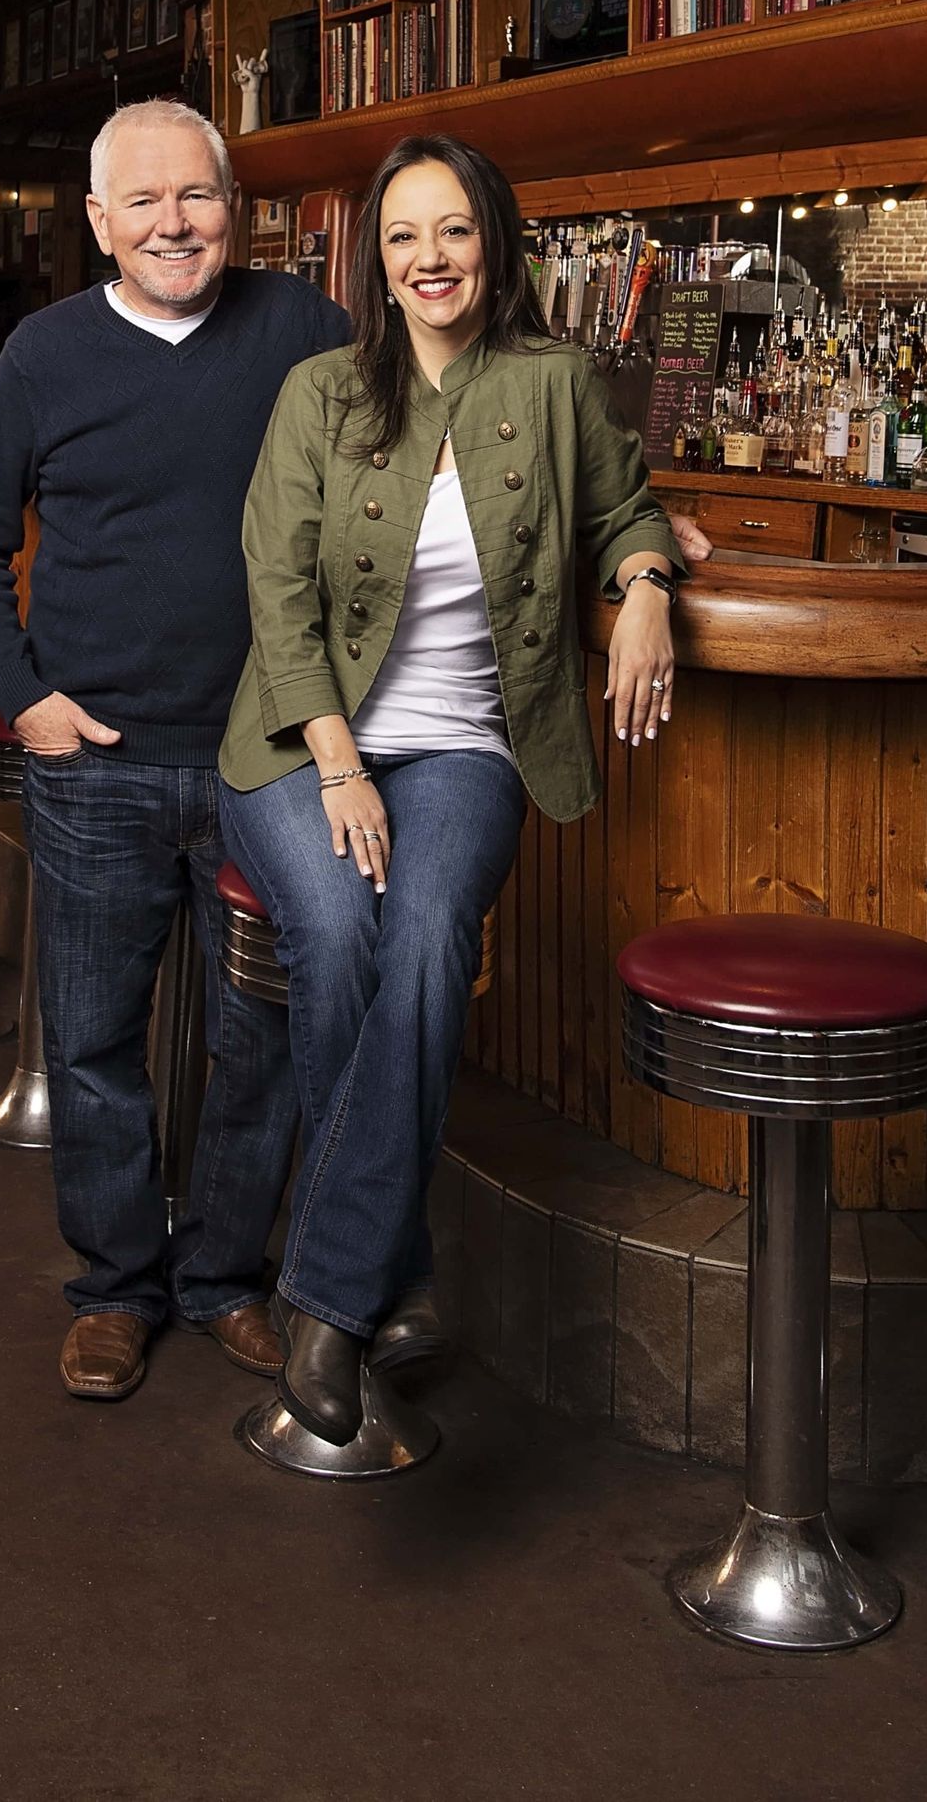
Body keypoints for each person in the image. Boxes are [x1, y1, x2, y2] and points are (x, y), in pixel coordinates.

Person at [217, 134, 692, 1448]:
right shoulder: (319, 392)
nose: (431, 260)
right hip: (300, 743)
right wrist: (339, 764)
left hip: (473, 751)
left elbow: (627, 514)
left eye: (455, 232)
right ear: (377, 259)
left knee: (427, 938)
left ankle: (326, 1293)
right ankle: (383, 1270)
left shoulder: (553, 383)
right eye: (405, 237)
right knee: (338, 931)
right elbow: (274, 590)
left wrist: (647, 590)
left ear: (497, 244)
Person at [0, 99, 349, 1405]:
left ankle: (223, 1277)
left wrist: (629, 529)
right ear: (100, 222)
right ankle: (116, 1288)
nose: (175, 224)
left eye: (200, 197)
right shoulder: (45, 356)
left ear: (235, 207)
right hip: (95, 762)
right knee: (97, 1038)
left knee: (261, 1040)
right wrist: (26, 700)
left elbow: (442, 451)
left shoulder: (306, 330)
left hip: (263, 767)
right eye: (145, 203)